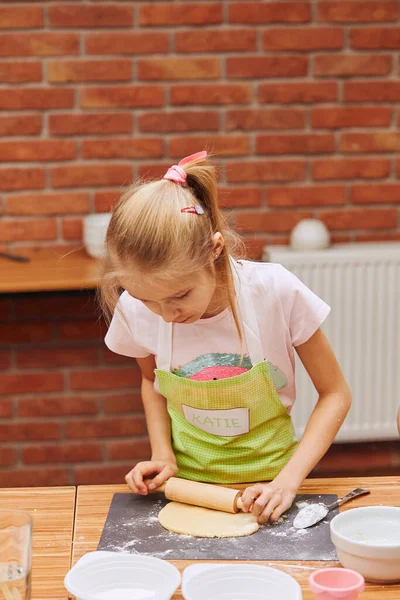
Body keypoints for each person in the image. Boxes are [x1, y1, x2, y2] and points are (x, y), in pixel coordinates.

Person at [101, 151, 352, 525]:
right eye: (147, 300)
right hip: (191, 491)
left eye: (179, 296)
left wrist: (287, 483)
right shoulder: (136, 309)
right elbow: (151, 380)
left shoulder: (275, 292)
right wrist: (162, 455)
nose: (167, 314)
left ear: (215, 250)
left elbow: (335, 394)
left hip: (274, 489)